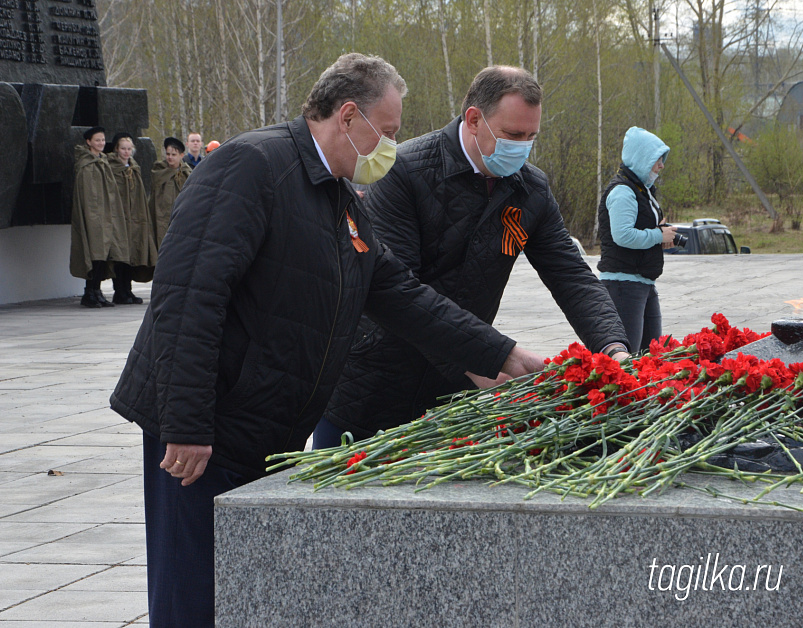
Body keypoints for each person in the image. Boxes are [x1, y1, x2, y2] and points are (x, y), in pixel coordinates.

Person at [110, 52, 543, 627]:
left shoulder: (341, 200)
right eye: (386, 132)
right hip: (205, 431)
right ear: (347, 116)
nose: (391, 146)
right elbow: (188, 297)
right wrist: (186, 423)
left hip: (266, 427)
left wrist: (505, 355)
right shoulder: (253, 166)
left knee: (247, 595)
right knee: (194, 595)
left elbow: (403, 297)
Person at [317, 65, 631, 448]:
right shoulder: (405, 172)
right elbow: (399, 290)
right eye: (513, 135)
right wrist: (478, 358)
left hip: (451, 402)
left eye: (531, 137)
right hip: (370, 387)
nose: (522, 146)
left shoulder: (529, 190)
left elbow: (571, 276)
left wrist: (613, 347)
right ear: (474, 119)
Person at [596, 126, 677, 351]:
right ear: (642, 158)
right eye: (657, 159)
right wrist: (657, 235)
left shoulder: (642, 190)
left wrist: (661, 237)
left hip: (642, 282)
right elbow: (622, 235)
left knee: (652, 356)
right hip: (623, 284)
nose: (661, 165)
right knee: (628, 357)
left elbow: (640, 230)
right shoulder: (623, 191)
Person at [70, 126, 129, 308]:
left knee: (104, 254)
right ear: (89, 142)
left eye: (103, 140)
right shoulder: (86, 165)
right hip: (93, 216)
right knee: (94, 253)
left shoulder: (103, 162)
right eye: (97, 140)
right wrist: (93, 216)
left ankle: (97, 291)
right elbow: (87, 195)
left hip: (105, 215)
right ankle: (90, 292)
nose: (101, 143)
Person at [107, 133, 158, 304]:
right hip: (119, 218)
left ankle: (127, 290)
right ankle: (119, 290)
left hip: (133, 218)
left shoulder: (133, 168)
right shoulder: (111, 167)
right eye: (123, 148)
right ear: (116, 149)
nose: (126, 152)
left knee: (131, 255)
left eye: (129, 149)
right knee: (119, 255)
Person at [150, 136, 191, 250]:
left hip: (180, 216)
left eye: (173, 155)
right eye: (168, 154)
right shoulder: (159, 170)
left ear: (181, 156)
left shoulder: (186, 173)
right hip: (161, 216)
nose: (170, 157)